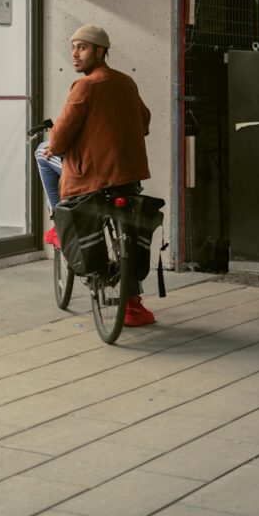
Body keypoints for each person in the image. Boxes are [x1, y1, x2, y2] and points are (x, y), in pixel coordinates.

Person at [39, 23, 156, 327]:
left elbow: (63, 130)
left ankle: (57, 220)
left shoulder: (86, 86)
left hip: (91, 178)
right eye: (73, 47)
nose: (75, 54)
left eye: (83, 47)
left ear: (101, 51)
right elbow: (144, 120)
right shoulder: (126, 82)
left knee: (41, 154)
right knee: (127, 233)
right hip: (128, 176)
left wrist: (55, 146)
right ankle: (133, 306)